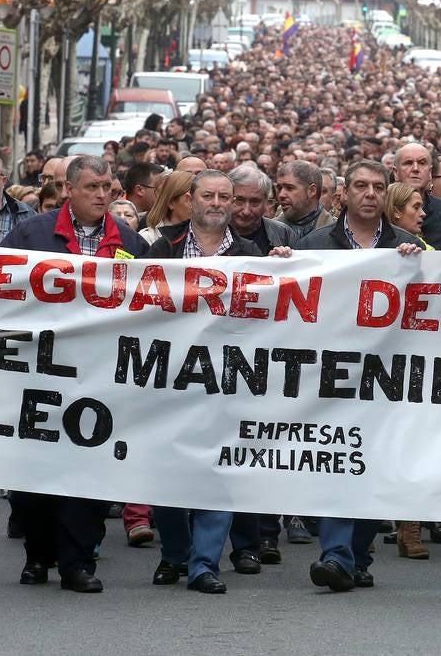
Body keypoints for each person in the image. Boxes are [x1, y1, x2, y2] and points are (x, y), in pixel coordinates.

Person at [0, 155, 148, 593]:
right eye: (93, 187)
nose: (103, 195)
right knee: (34, 475)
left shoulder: (131, 243)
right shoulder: (32, 234)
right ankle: (38, 554)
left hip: (100, 377)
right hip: (40, 373)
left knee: (90, 472)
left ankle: (78, 561)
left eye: (108, 187)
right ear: (69, 190)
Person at [146, 170, 283, 594]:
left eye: (226, 196)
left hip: (227, 378)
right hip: (169, 376)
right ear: (190, 199)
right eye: (210, 195)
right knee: (166, 472)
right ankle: (175, 554)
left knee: (220, 471)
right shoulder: (161, 248)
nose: (219, 203)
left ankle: (205, 564)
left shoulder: (251, 254)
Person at [298, 160, 424, 592]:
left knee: (371, 465)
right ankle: (335, 555)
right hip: (330, 375)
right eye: (360, 186)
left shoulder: (408, 245)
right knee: (337, 463)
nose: (369, 194)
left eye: (377, 187)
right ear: (344, 195)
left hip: (387, 377)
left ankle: (358, 554)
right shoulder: (315, 243)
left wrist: (422, 264)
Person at [228, 163, 298, 254]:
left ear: (266, 203)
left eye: (255, 202)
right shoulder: (210, 233)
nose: (246, 211)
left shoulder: (283, 234)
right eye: (239, 200)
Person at [276, 160, 336, 237]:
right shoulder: (269, 231)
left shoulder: (336, 232)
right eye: (279, 188)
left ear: (312, 190)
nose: (281, 195)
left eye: (289, 188)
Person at [140, 170, 195, 246]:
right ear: (171, 202)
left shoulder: (209, 237)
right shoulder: (147, 238)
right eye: (190, 199)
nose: (197, 205)